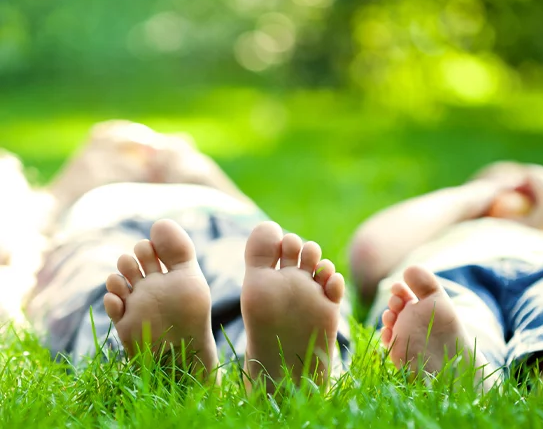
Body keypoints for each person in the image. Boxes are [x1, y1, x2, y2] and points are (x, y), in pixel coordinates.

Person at [6, 120, 350, 390]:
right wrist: (68, 187)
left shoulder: (208, 186)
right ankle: (295, 375)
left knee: (279, 283)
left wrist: (207, 178)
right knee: (116, 283)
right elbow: (16, 243)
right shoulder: (70, 196)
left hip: (220, 218)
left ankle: (167, 372)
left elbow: (263, 228)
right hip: (114, 223)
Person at [349, 162, 543, 389]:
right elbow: (370, 253)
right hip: (447, 275)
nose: (513, 189)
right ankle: (471, 373)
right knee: (448, 314)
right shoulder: (444, 233)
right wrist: (473, 196)